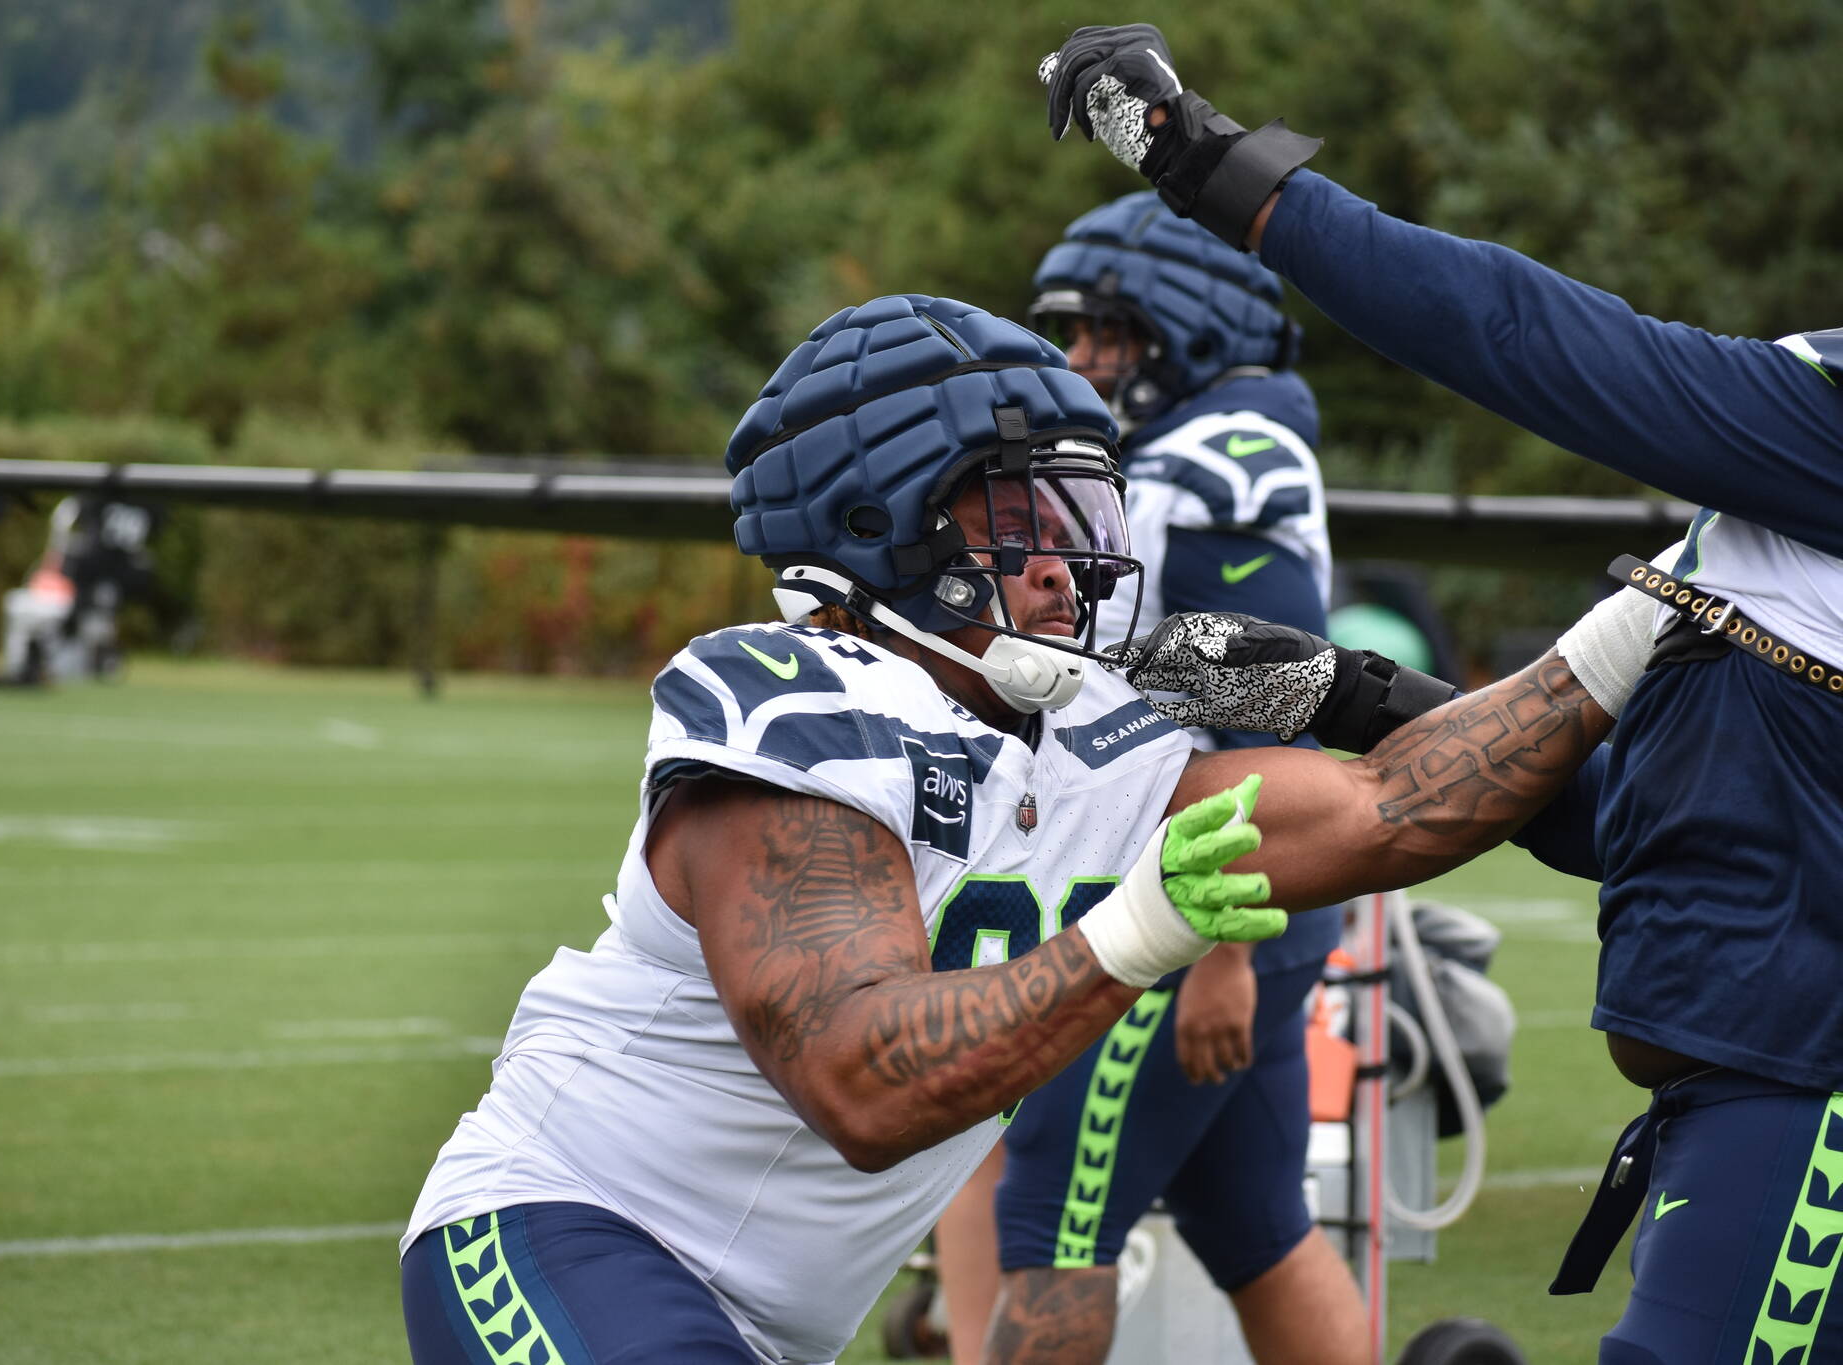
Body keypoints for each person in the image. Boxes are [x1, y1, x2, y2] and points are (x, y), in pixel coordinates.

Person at [398, 293, 1650, 1365]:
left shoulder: (1107, 723)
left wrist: (1632, 625)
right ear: (875, 520)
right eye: (1020, 518)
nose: (1066, 566)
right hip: (560, 1226)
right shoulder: (791, 706)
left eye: (1078, 520)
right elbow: (860, 1077)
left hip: (777, 1320)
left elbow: (1394, 812)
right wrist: (1135, 934)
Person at [1039, 24, 1843, 1362]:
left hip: (1807, 1085)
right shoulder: (1786, 513)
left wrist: (1214, 167)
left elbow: (1527, 335)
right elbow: (1651, 825)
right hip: (1764, 1079)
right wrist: (1347, 695)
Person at [928, 197, 1366, 1365]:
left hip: (1208, 898)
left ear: (1186, 327)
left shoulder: (1224, 458)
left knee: (1048, 1219)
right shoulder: (1171, 453)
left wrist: (1215, 945)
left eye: (1103, 334)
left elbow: (1262, 709)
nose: (1077, 362)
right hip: (1206, 894)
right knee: (1255, 1225)